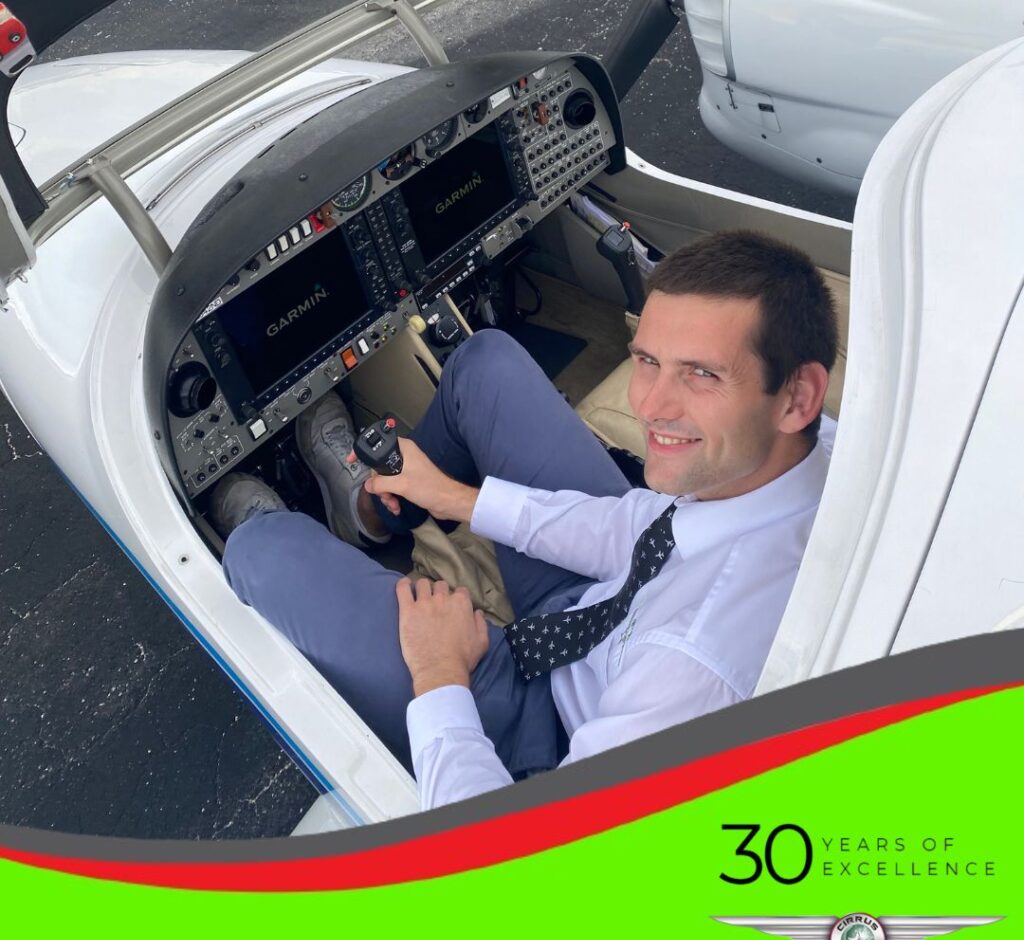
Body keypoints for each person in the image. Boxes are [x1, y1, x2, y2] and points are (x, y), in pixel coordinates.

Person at [211, 230, 837, 810]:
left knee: (263, 549)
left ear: (797, 396)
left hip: (547, 737)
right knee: (484, 364)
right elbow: (638, 530)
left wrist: (439, 672)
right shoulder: (808, 452)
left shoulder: (698, 671)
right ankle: (375, 516)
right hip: (596, 612)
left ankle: (265, 533)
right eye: (648, 360)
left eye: (702, 374)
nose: (650, 405)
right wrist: (456, 498)